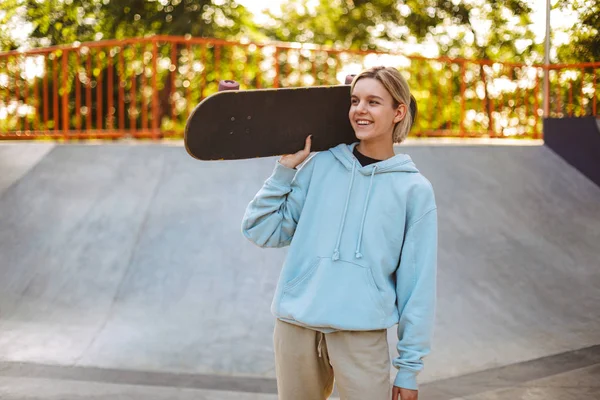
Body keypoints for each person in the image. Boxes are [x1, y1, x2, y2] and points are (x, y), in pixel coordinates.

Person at [241, 66, 437, 400]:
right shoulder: (320, 166)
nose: (360, 109)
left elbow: (417, 286)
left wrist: (408, 369)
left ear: (398, 112)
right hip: (297, 327)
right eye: (355, 100)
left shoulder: (413, 190)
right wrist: (285, 170)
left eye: (374, 102)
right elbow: (261, 231)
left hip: (362, 333)